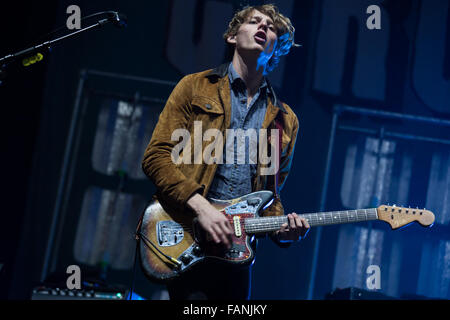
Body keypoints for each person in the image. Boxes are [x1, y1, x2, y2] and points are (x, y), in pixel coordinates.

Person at [141, 4, 310, 300]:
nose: (262, 27)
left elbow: (270, 195)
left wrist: (284, 232)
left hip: (237, 254)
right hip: (185, 232)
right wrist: (202, 208)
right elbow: (155, 157)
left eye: (270, 27)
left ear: (276, 46)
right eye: (254, 21)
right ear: (232, 36)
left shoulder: (286, 120)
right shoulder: (194, 88)